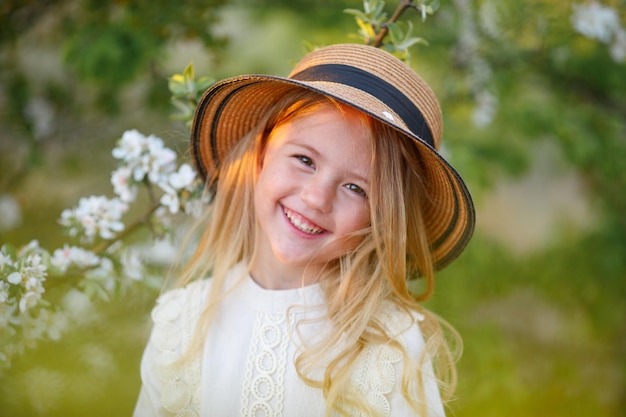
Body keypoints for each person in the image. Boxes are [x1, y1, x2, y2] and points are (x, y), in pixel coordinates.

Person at [134, 43, 475, 417]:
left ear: (380, 219)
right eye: (304, 160)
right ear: (261, 152)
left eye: (356, 188)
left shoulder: (390, 344)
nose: (316, 198)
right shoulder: (183, 324)